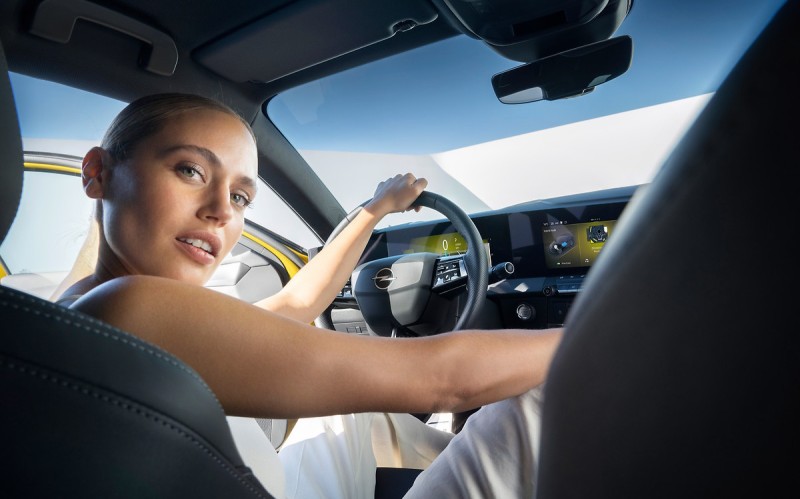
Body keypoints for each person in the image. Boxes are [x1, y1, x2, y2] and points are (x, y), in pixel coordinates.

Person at [57, 92, 563, 498]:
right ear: (97, 172)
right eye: (190, 170)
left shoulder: (79, 307)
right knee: (539, 396)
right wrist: (596, 332)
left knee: (352, 412)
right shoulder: (134, 307)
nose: (221, 211)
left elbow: (296, 306)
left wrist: (375, 210)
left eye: (240, 196)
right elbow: (442, 381)